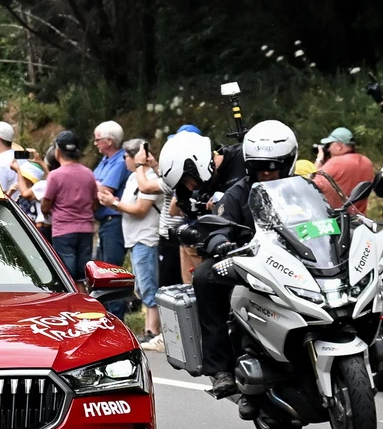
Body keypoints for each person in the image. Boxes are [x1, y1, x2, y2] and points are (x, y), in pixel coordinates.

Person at [185, 121, 289, 396]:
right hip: (250, 260)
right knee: (205, 277)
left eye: (273, 166)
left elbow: (327, 216)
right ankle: (220, 368)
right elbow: (219, 224)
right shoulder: (238, 192)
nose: (267, 173)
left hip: (297, 258)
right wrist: (220, 242)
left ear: (288, 163)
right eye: (260, 167)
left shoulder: (302, 188)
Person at [107, 139, 161, 349]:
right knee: (141, 285)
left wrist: (113, 203)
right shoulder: (133, 179)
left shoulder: (149, 177)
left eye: (127, 157)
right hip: (134, 237)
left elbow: (140, 209)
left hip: (145, 237)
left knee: (148, 285)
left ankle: (153, 331)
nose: (125, 161)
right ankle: (149, 330)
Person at [40, 131, 98, 280]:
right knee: (83, 277)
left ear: (57, 150)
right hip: (86, 230)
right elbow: (95, 203)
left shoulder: (55, 175)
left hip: (63, 231)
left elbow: (46, 204)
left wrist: (47, 211)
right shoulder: (89, 173)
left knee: (67, 277)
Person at [91, 121, 129, 267]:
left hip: (114, 220)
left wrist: (93, 183)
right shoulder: (105, 160)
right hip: (103, 220)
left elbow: (105, 190)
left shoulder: (120, 161)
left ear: (109, 141)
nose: (95, 143)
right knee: (100, 264)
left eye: (98, 140)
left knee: (110, 266)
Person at [312, 127, 373, 214]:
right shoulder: (367, 162)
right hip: (359, 219)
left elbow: (312, 185)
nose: (328, 149)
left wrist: (319, 159)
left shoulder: (336, 162)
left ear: (339, 146)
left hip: (338, 220)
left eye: (330, 145)